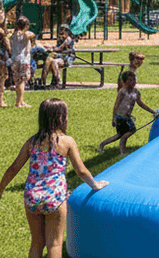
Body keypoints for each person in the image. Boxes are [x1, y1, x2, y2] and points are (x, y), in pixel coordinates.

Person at [0, 98, 109, 258]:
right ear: (62, 118)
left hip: (32, 197)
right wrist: (95, 185)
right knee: (55, 243)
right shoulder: (67, 142)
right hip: (54, 198)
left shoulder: (32, 142)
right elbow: (81, 171)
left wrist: (1, 188)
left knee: (37, 243)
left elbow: (14, 167)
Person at [98, 70, 156, 155]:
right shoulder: (122, 92)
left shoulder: (136, 92)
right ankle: (122, 153)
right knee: (128, 132)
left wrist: (152, 112)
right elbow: (116, 106)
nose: (133, 82)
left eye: (134, 80)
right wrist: (113, 118)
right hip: (120, 117)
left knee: (120, 134)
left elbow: (140, 104)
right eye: (130, 80)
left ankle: (103, 144)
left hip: (127, 117)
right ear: (125, 81)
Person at [9, 16, 36, 108]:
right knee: (22, 82)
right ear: (26, 25)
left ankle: (21, 101)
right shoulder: (25, 34)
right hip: (23, 60)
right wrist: (33, 42)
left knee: (17, 81)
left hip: (14, 60)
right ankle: (18, 103)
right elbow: (32, 35)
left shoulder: (13, 35)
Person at [41, 24, 75, 89]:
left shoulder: (68, 39)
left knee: (53, 62)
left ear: (68, 32)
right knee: (48, 60)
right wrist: (49, 47)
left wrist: (51, 49)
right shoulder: (61, 39)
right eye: (60, 30)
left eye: (63, 30)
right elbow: (57, 47)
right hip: (60, 57)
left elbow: (59, 48)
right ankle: (44, 81)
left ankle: (57, 81)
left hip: (67, 59)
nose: (61, 31)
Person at [0, 29, 10, 108]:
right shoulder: (2, 32)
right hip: (1, 60)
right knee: (1, 81)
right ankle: (1, 101)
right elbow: (8, 47)